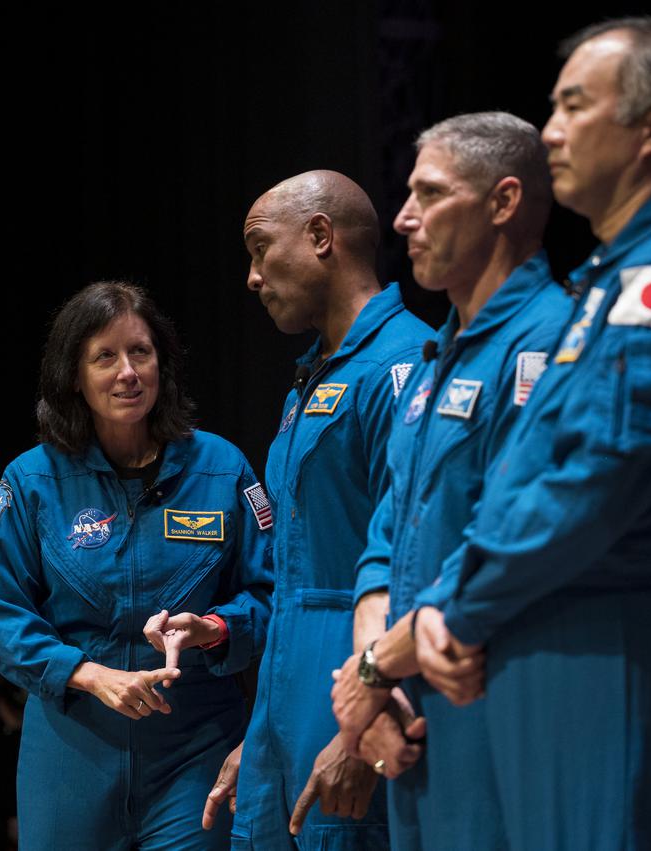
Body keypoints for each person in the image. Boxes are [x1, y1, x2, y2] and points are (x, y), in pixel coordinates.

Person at [412, 19, 651, 850]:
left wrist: (459, 603)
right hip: (551, 644)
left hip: (612, 651)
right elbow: (525, 478)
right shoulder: (610, 280)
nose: (552, 131)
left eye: (573, 106)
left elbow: (600, 478)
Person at [326, 112, 567, 850]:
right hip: (410, 705)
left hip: (496, 691)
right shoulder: (439, 356)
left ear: (502, 203)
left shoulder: (552, 340)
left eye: (429, 195)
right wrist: (375, 683)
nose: (403, 218)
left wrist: (374, 667)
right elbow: (388, 527)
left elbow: (509, 534)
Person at [0, 281, 273, 850]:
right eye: (104, 356)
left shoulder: (221, 467)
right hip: (72, 748)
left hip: (196, 744)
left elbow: (270, 593)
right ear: (74, 377)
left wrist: (215, 629)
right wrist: (88, 675)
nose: (127, 372)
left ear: (163, 363)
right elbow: (0, 613)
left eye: (141, 352)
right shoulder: (31, 480)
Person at [214, 170, 431, 850]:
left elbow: (412, 566)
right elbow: (292, 577)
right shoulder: (311, 380)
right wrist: (264, 728)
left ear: (319, 236)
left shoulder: (406, 365)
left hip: (359, 693)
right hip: (291, 696)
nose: (252, 277)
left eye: (259, 249)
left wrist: (359, 724)